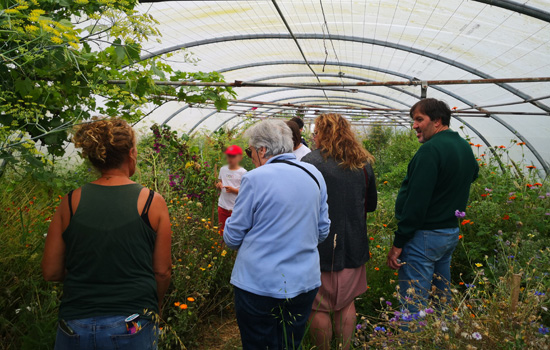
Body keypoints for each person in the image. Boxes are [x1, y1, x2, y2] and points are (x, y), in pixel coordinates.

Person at [42, 119, 172, 350]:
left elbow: (51, 272)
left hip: (74, 325)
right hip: (132, 324)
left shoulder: (70, 202)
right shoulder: (152, 202)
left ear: (94, 157)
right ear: (131, 153)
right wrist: (156, 306)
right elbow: (162, 272)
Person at [223, 119, 330, 350]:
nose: (250, 156)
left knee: (258, 343)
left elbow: (232, 238)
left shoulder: (254, 179)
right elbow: (322, 231)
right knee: (290, 343)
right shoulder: (313, 174)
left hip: (258, 284)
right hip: (304, 282)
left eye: (250, 150)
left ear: (262, 150)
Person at [386, 98, 479, 314]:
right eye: (413, 120)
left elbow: (416, 203)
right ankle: (439, 337)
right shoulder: (463, 145)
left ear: (437, 121)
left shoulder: (430, 150)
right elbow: (473, 173)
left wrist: (399, 242)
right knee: (440, 298)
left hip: (424, 236)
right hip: (448, 233)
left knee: (413, 302)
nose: (414, 125)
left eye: (419, 119)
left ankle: (411, 342)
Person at [303, 113, 377, 350]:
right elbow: (371, 204)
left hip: (319, 245)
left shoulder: (310, 162)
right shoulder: (362, 162)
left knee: (319, 305)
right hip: (353, 243)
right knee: (346, 303)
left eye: (315, 132)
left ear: (321, 133)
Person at [216, 145, 247, 233]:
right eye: (229, 156)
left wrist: (234, 190)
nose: (230, 158)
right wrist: (218, 185)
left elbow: (245, 192)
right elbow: (220, 182)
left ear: (240, 158)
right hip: (222, 206)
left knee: (234, 232)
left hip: (235, 208)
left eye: (233, 156)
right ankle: (221, 246)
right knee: (221, 231)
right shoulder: (223, 170)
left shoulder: (243, 172)